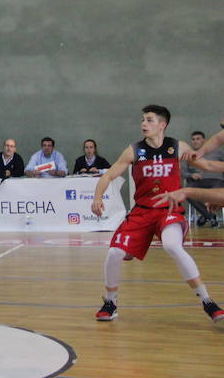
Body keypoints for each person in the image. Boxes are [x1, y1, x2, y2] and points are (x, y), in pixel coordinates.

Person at [90, 105, 224, 323]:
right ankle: (111, 302)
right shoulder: (134, 150)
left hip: (168, 210)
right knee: (114, 253)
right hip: (142, 211)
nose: (144, 123)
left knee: (173, 245)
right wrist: (97, 197)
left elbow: (207, 164)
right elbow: (108, 176)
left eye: (149, 120)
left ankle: (207, 301)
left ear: (162, 125)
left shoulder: (177, 146)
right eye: (143, 120)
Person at [180, 131, 224, 227]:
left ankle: (206, 215)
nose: (195, 141)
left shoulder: (219, 152)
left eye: (198, 139)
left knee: (217, 194)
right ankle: (210, 216)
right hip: (198, 181)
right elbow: (182, 172)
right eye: (193, 139)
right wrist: (191, 175)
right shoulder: (188, 154)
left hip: (216, 180)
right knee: (187, 192)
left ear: (204, 140)